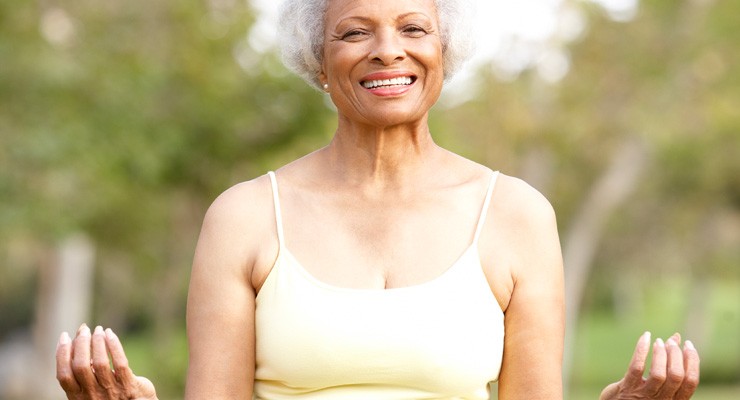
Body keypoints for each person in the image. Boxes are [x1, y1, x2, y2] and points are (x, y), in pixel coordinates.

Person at [55, 0, 701, 399]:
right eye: (354, 31)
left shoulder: (518, 216)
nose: (388, 49)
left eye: (413, 26)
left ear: (443, 48)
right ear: (318, 57)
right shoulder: (244, 217)